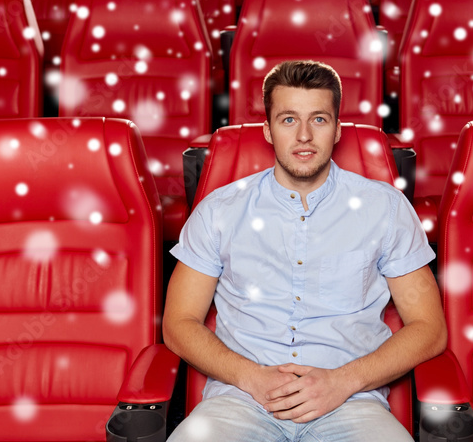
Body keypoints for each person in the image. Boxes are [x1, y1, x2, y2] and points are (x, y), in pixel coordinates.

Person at [163, 60, 446, 441]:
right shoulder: (219, 210)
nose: (304, 137)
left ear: (337, 130)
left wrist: (342, 382)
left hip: (351, 402)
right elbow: (178, 324)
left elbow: (429, 328)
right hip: (240, 402)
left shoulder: (386, 208)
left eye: (318, 120)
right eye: (288, 120)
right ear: (267, 130)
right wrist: (254, 378)